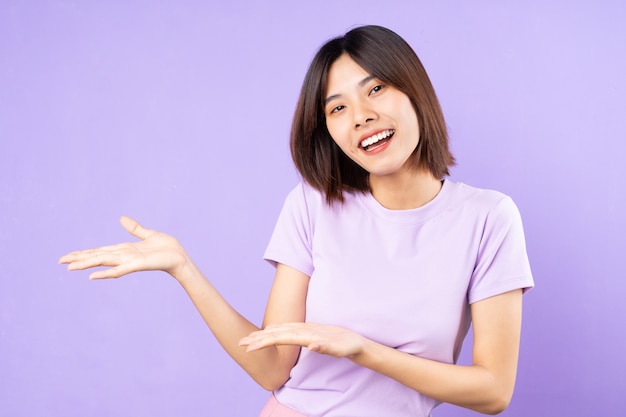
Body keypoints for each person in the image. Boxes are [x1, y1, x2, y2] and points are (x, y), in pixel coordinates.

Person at [59, 25, 534, 417]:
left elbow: (494, 392)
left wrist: (360, 348)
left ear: (415, 92)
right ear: (327, 128)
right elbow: (273, 369)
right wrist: (183, 267)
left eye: (376, 89)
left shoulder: (488, 218)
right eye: (338, 107)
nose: (362, 116)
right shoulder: (312, 205)